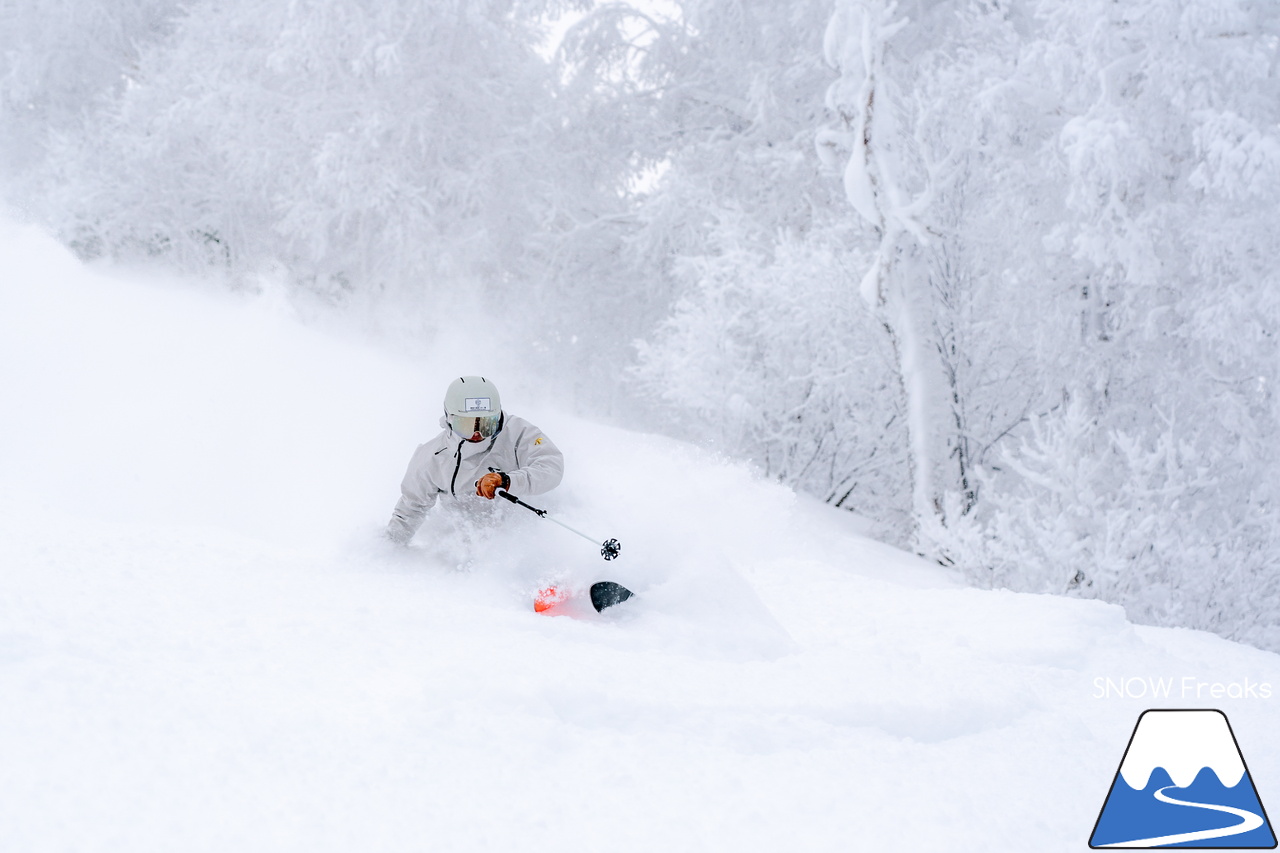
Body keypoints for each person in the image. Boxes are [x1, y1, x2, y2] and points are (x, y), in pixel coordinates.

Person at [386, 375, 564, 545]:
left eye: (487, 424)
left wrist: (508, 480)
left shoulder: (518, 433)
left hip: (529, 533)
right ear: (449, 418)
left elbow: (550, 466)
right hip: (472, 547)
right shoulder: (434, 456)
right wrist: (389, 547)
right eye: (467, 425)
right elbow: (411, 509)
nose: (477, 434)